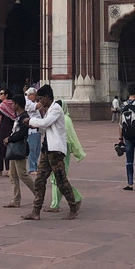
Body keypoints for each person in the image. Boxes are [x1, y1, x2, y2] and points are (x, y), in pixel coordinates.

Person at [22, 84, 80, 220]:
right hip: (47, 149)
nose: (39, 102)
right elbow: (45, 127)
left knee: (61, 180)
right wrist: (33, 124)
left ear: (47, 97)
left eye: (41, 99)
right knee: (40, 180)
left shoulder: (56, 109)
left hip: (55, 151)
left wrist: (31, 120)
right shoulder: (49, 109)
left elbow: (45, 123)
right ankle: (36, 211)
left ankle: (73, 206)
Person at [45, 99, 85, 213]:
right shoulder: (57, 117)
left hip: (62, 151)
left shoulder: (65, 119)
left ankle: (62, 202)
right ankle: (57, 203)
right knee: (57, 177)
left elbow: (71, 137)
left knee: (59, 177)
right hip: (55, 150)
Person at [2, 93, 34, 208]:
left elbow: (21, 133)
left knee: (23, 175)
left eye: (14, 103)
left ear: (18, 105)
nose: (12, 105)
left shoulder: (24, 117)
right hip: (13, 149)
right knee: (13, 175)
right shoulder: (17, 117)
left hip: (19, 148)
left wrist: (9, 139)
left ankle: (38, 194)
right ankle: (16, 199)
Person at [25, 87, 42, 173]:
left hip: (37, 129)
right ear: (30, 95)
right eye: (35, 95)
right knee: (32, 149)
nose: (36, 97)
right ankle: (32, 168)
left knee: (37, 150)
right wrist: (44, 99)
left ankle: (35, 166)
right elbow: (36, 107)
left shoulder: (32, 101)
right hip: (31, 130)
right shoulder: (27, 102)